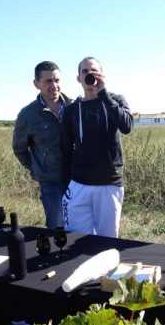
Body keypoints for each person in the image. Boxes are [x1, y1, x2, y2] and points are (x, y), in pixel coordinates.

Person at [61, 56, 134, 237]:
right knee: (76, 238)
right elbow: (66, 147)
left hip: (108, 183)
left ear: (102, 75)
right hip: (79, 184)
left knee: (107, 241)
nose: (89, 75)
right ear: (79, 78)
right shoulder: (71, 110)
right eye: (85, 72)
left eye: (94, 71)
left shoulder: (115, 100)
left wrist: (103, 93)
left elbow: (126, 127)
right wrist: (66, 182)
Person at [12, 61, 72, 229]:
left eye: (57, 80)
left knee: (80, 228)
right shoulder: (28, 114)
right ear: (36, 84)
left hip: (78, 180)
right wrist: (38, 168)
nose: (54, 85)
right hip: (51, 183)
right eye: (48, 81)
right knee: (57, 228)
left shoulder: (74, 107)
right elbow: (19, 148)